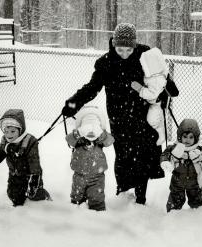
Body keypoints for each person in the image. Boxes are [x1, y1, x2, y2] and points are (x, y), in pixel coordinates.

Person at [62, 23, 165, 205]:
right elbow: (92, 87)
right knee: (123, 155)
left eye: (128, 50)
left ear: (134, 45)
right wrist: (73, 103)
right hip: (119, 118)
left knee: (142, 157)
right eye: (120, 49)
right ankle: (123, 192)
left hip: (142, 116)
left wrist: (164, 90)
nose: (124, 54)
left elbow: (160, 78)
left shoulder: (145, 56)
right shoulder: (106, 63)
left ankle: (141, 198)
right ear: (113, 45)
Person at [0, 109, 51, 206]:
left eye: (12, 131)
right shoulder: (5, 142)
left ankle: (43, 195)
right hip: (14, 175)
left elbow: (34, 163)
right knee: (13, 196)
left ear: (20, 130)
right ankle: (19, 209)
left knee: (34, 195)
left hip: (29, 176)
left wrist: (34, 180)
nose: (8, 135)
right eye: (6, 131)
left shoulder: (30, 142)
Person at [160, 118, 202, 212]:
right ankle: (172, 217)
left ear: (195, 138)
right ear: (180, 137)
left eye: (191, 137)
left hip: (194, 183)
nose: (187, 139)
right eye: (185, 136)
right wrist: (165, 161)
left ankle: (196, 217)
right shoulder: (175, 148)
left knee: (197, 202)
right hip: (177, 182)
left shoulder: (199, 150)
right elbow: (165, 154)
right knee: (175, 201)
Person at [65, 106, 114, 211]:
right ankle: (75, 211)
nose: (91, 132)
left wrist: (101, 134)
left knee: (97, 199)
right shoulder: (79, 138)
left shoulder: (100, 139)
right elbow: (69, 139)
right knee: (76, 199)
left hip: (97, 177)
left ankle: (97, 213)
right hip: (79, 175)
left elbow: (110, 141)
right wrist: (79, 133)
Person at [131, 47, 169, 146]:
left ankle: (160, 136)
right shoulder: (156, 76)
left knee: (152, 121)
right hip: (155, 103)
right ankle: (160, 133)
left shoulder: (155, 79)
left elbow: (152, 94)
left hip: (155, 104)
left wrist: (141, 90)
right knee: (158, 120)